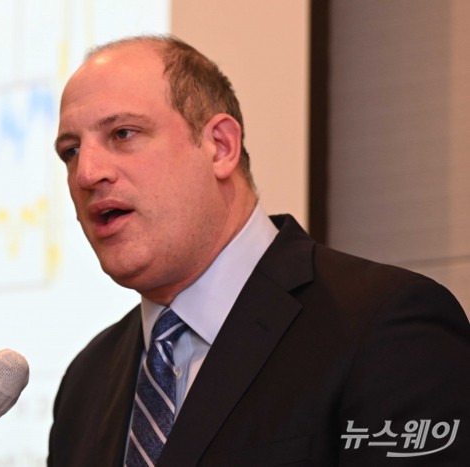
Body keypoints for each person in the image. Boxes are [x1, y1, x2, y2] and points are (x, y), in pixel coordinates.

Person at [47, 35, 470, 466]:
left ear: (221, 146)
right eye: (71, 151)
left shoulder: (385, 327)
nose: (87, 174)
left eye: (123, 134)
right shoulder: (86, 382)